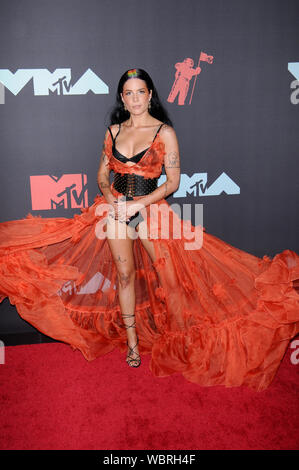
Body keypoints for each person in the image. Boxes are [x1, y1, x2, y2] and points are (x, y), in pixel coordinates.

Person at [0, 68, 298, 390]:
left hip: (150, 209)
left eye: (140, 92)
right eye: (128, 93)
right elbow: (102, 175)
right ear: (122, 98)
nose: (135, 99)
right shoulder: (112, 132)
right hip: (115, 210)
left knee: (170, 278)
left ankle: (181, 341)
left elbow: (173, 182)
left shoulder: (164, 132)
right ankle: (131, 341)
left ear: (151, 95)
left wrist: (138, 205)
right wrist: (112, 198)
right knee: (124, 276)